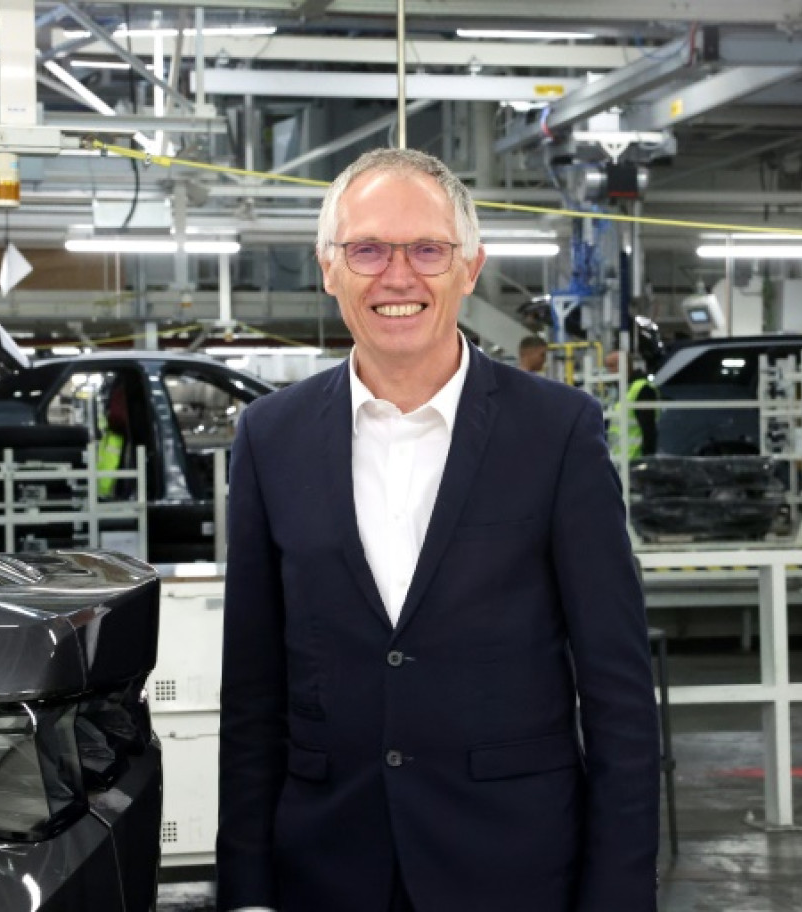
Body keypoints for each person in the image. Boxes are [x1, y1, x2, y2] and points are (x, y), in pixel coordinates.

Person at [217, 148, 659, 912]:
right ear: (329, 268)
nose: (397, 276)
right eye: (367, 250)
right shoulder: (269, 438)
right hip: (327, 870)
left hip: (513, 868)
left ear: (469, 267)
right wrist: (247, 891)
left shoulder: (556, 435)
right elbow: (253, 697)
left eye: (427, 249)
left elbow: (617, 693)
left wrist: (618, 894)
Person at [604, 349, 659, 459]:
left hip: (635, 460)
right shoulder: (618, 392)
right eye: (607, 367)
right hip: (619, 460)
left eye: (612, 366)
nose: (608, 371)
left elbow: (648, 429)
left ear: (625, 366)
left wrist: (647, 461)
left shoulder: (642, 389)